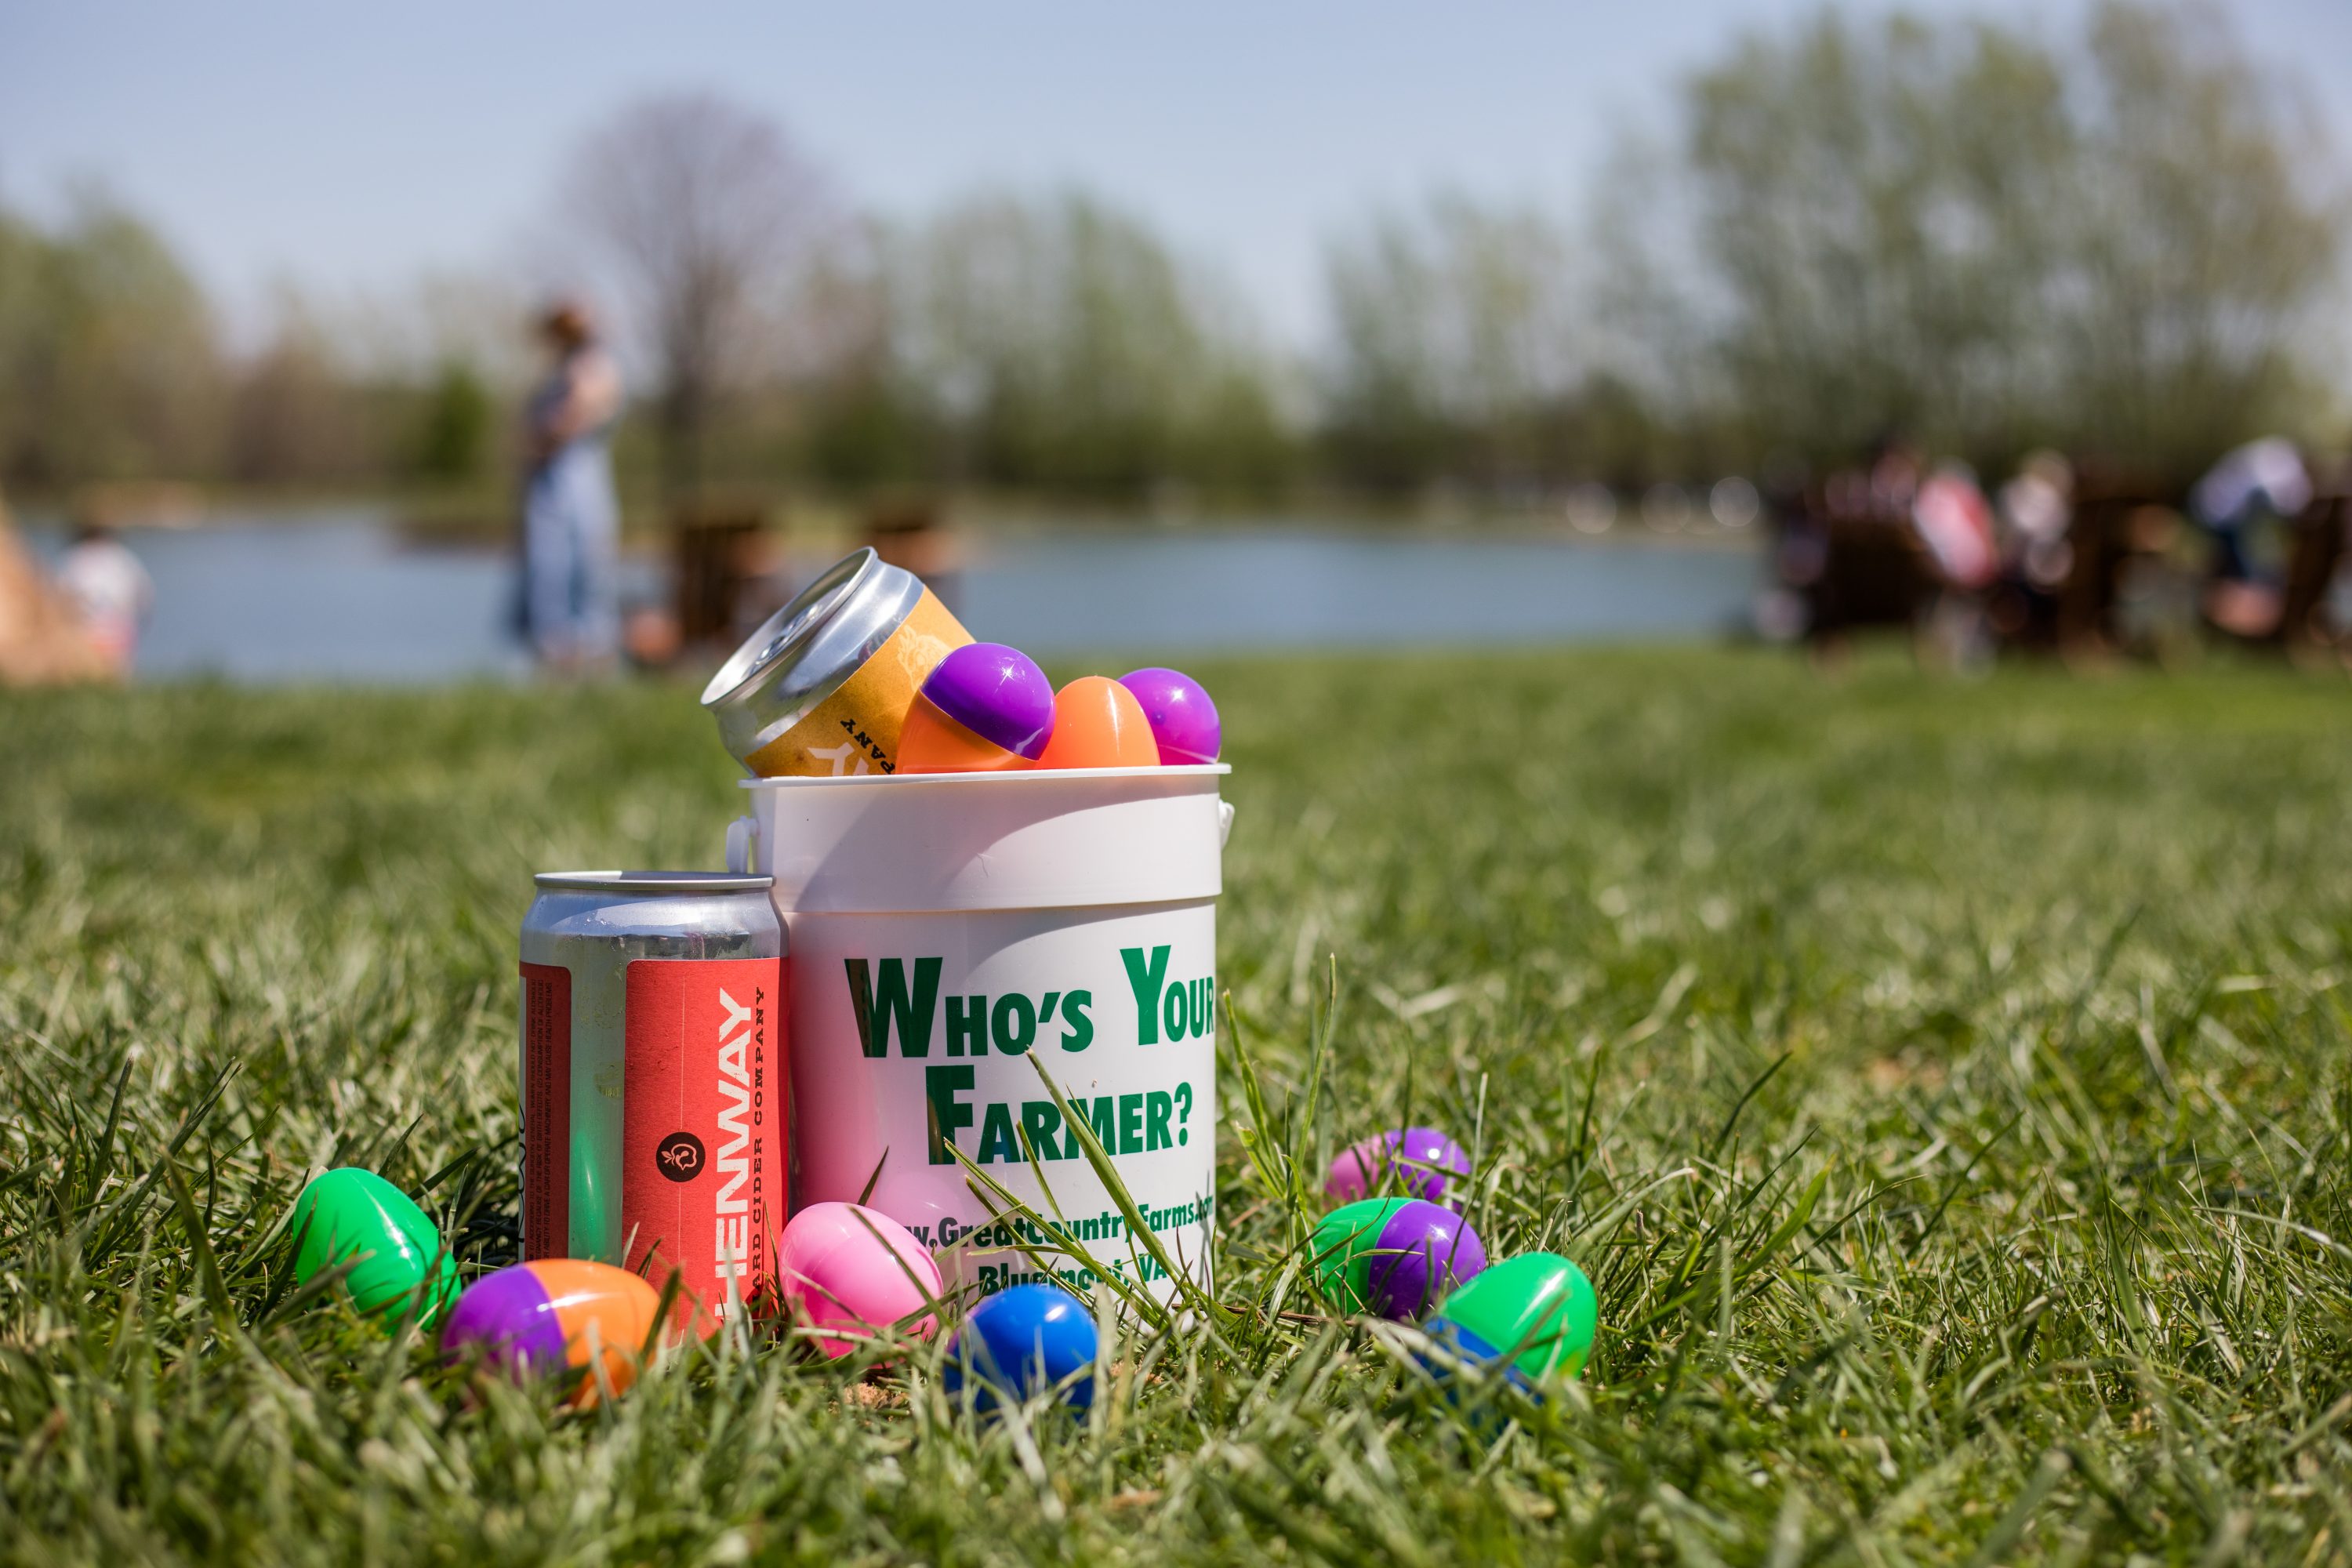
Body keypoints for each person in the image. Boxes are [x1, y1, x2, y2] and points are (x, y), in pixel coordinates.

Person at [519, 299, 623, 673]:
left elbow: (583, 410)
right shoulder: (562, 369)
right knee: (550, 563)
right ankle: (560, 646)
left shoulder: (591, 365)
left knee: (582, 558)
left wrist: (547, 436)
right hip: (557, 478)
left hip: (572, 476)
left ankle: (586, 645)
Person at [56, 518, 154, 678]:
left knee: (85, 676)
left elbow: (59, 598)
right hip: (120, 631)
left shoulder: (73, 558)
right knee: (117, 676)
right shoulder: (123, 557)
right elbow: (144, 596)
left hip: (85, 632)